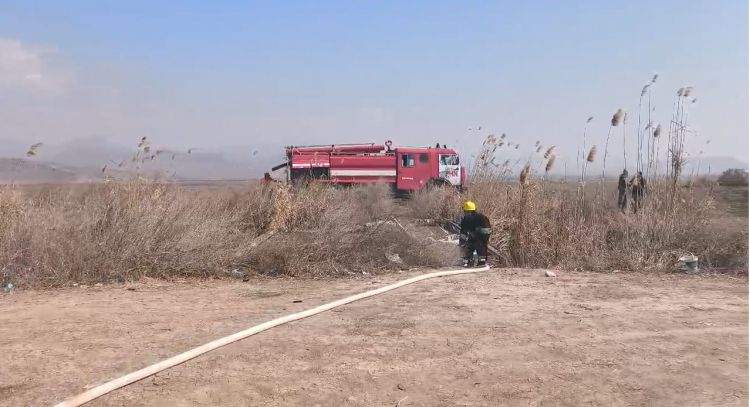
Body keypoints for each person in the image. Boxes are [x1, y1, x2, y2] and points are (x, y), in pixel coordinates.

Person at [459, 201, 492, 267]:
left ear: (472, 212)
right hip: (473, 236)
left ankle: (482, 262)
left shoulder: (481, 218)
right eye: (465, 212)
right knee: (468, 247)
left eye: (467, 212)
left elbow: (486, 231)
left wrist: (476, 234)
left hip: (482, 237)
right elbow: (463, 232)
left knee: (480, 246)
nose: (466, 213)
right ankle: (468, 261)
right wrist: (462, 242)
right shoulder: (465, 220)